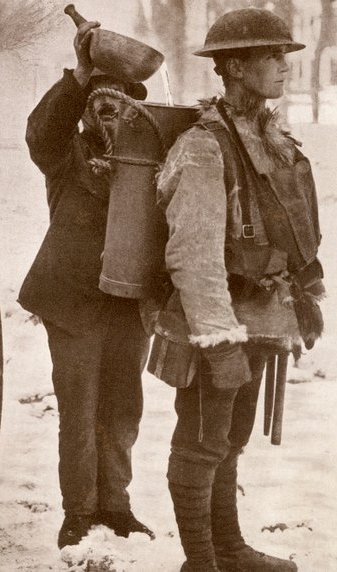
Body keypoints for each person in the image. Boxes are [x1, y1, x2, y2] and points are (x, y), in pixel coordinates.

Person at [148, 8, 324, 572]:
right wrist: (218, 341)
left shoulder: (269, 138)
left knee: (233, 438)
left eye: (282, 57)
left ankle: (230, 549)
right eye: (272, 57)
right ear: (237, 67)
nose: (283, 68)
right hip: (212, 320)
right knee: (201, 442)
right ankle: (200, 561)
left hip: (261, 313)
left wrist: (303, 293)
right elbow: (193, 256)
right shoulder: (205, 146)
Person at [18, 19, 154, 549]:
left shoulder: (149, 158)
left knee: (123, 407)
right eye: (99, 96)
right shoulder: (63, 152)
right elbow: (41, 131)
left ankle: (116, 506)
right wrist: (78, 77)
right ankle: (78, 511)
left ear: (134, 106)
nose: (110, 105)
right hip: (72, 299)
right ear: (85, 107)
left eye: (119, 96)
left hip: (127, 301)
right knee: (78, 408)